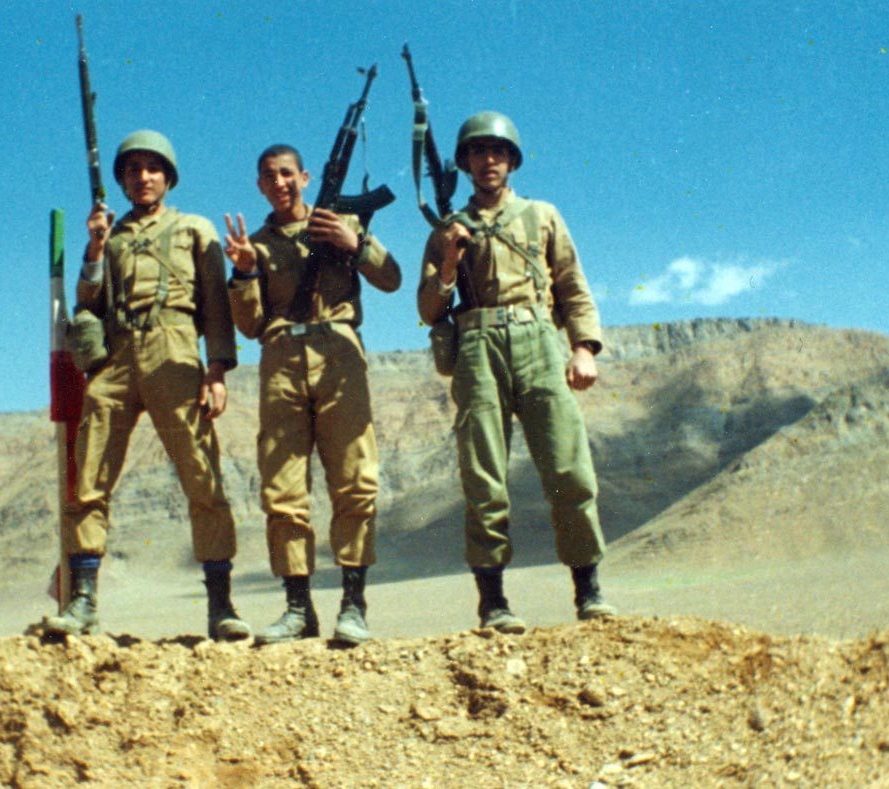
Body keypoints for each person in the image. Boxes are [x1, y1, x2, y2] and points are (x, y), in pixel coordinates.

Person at [43, 130, 249, 641]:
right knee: (89, 475)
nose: (143, 177)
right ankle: (83, 601)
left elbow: (216, 303)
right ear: (121, 180)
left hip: (173, 348)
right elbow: (88, 301)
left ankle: (220, 606)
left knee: (202, 476)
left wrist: (217, 369)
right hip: (116, 356)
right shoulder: (109, 236)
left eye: (152, 168)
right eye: (132, 169)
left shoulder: (193, 228)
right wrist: (95, 247)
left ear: (168, 176)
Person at [416, 111, 617, 633]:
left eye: (498, 152)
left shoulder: (542, 215)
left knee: (569, 469)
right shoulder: (446, 228)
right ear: (464, 163)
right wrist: (449, 262)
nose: (489, 160)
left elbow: (572, 285)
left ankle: (589, 590)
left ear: (512, 160)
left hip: (538, 341)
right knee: (484, 478)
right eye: (478, 152)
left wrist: (583, 349)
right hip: (477, 348)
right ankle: (494, 603)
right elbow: (429, 309)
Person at [224, 144, 401, 646]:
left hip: (339, 352)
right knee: (282, 489)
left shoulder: (340, 222)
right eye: (269, 176)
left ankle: (354, 605)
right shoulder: (256, 245)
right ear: (260, 186)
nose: (279, 183)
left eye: (287, 174)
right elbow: (250, 324)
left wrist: (353, 243)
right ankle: (298, 609)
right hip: (281, 359)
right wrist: (244, 272)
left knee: (355, 479)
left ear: (304, 177)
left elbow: (391, 279)